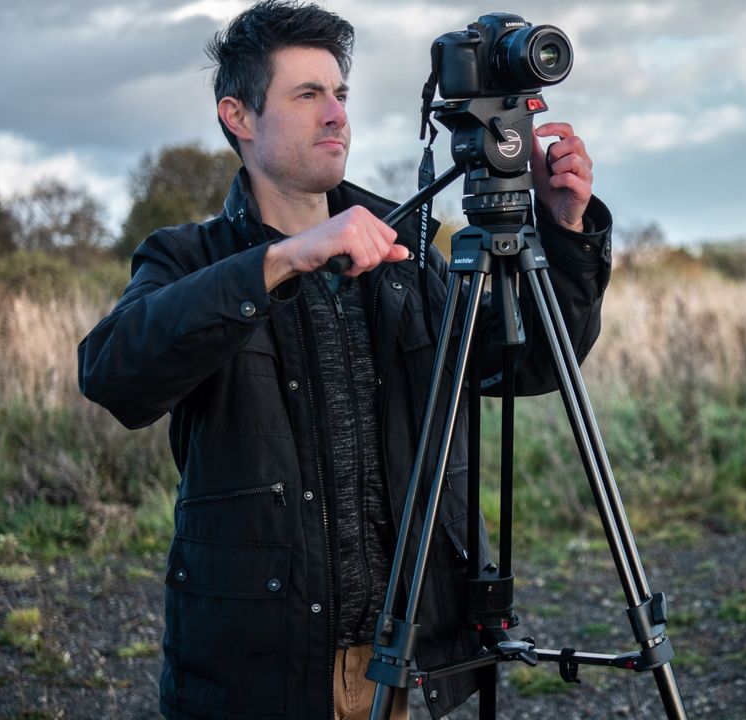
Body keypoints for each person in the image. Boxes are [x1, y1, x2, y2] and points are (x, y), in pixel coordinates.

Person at [77, 2, 612, 719]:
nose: (336, 114)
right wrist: (280, 261)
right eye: (307, 95)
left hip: (393, 663)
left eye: (340, 93)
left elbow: (528, 366)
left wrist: (566, 231)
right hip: (255, 672)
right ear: (238, 116)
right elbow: (113, 374)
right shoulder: (189, 258)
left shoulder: (404, 248)